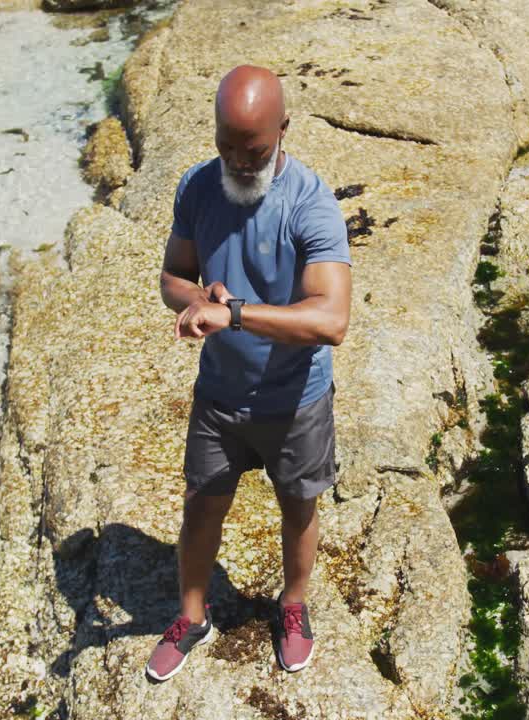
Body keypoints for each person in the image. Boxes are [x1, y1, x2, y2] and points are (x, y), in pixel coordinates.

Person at [145, 64, 352, 681]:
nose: (238, 160)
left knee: (299, 504)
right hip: (221, 395)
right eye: (226, 144)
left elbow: (331, 318)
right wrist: (194, 297)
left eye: (253, 147)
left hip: (295, 396)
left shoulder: (310, 203)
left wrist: (232, 313)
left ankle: (292, 605)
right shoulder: (197, 187)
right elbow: (171, 277)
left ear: (284, 129)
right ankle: (190, 613)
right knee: (202, 504)